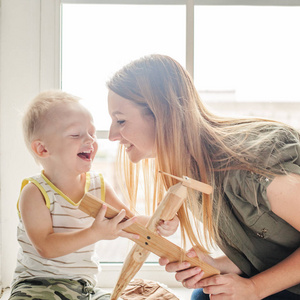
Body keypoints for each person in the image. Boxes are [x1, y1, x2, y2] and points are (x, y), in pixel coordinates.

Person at [106, 54, 300, 300]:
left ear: (161, 114)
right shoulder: (191, 174)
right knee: (204, 294)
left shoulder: (250, 166)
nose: (112, 134)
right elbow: (270, 245)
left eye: (120, 120)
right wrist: (215, 264)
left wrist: (254, 289)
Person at [9, 90, 178, 300]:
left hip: (84, 288)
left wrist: (160, 222)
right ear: (42, 149)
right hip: (37, 285)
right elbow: (45, 247)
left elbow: (128, 221)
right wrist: (95, 233)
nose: (90, 140)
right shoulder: (35, 192)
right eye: (76, 134)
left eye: (91, 132)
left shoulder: (98, 186)